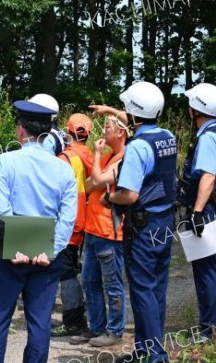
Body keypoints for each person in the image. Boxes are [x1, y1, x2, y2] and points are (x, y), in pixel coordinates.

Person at [0, 99, 77, 363]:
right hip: (46, 254)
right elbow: (68, 218)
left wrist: (13, 246)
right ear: (47, 133)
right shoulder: (64, 169)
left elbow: (2, 211)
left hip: (10, 255)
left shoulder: (5, 161)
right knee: (40, 323)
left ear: (21, 130)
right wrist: (52, 251)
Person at [104, 81, 177, 363]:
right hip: (165, 221)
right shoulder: (166, 136)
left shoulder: (136, 148)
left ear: (134, 115)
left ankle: (154, 355)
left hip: (143, 228)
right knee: (156, 288)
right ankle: (146, 350)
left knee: (142, 290)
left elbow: (130, 194)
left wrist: (110, 199)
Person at [70, 110, 130, 347]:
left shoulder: (122, 158)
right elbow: (90, 182)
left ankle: (114, 330)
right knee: (90, 281)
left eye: (107, 126)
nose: (103, 130)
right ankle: (96, 328)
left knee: (112, 284)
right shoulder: (108, 157)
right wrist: (97, 173)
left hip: (110, 231)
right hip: (93, 229)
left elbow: (97, 180)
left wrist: (95, 156)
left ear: (121, 132)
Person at [178, 83, 216, 340]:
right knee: (214, 267)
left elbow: (208, 177)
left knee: (207, 269)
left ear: (195, 109)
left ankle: (211, 331)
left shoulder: (208, 137)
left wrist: (197, 212)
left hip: (207, 209)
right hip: (214, 207)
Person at [51, 113, 94, 337]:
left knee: (65, 272)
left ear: (67, 132)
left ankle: (73, 321)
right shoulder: (91, 155)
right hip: (84, 220)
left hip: (67, 222)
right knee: (73, 269)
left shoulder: (66, 157)